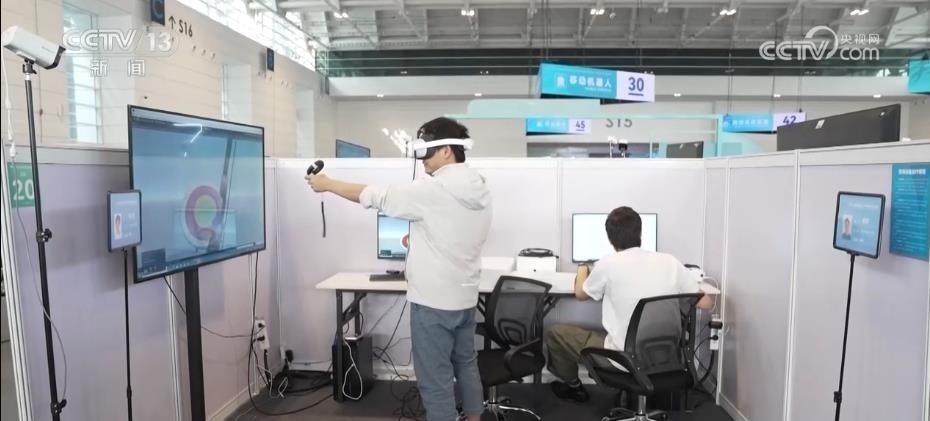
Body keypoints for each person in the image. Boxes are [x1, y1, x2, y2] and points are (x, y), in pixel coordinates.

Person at [307, 117, 492, 421]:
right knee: (466, 365)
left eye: (427, 152)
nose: (422, 161)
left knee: (435, 381)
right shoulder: (479, 187)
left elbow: (374, 196)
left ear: (447, 150)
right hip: (465, 298)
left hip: (433, 303)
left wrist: (327, 184)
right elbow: (457, 232)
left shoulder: (435, 189)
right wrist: (419, 238)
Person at [545, 206, 714, 403]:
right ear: (640, 233)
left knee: (557, 333)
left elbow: (581, 294)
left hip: (624, 360)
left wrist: (583, 268)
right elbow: (707, 303)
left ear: (610, 239)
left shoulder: (607, 264)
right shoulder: (670, 262)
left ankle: (573, 387)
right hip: (665, 357)